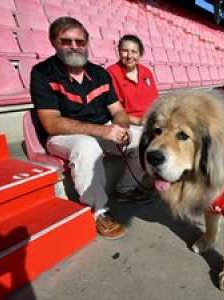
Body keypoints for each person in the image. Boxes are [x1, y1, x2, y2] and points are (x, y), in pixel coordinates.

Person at [30, 17, 141, 240]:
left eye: (79, 41)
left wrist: (121, 127)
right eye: (66, 41)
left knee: (145, 139)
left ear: (87, 42)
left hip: (103, 129)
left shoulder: (99, 73)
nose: (74, 46)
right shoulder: (42, 73)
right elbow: (51, 123)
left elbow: (118, 111)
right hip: (63, 136)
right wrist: (104, 131)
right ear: (53, 42)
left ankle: (125, 188)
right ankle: (99, 211)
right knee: (87, 145)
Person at [106, 34, 158, 201]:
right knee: (142, 143)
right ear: (119, 51)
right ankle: (124, 189)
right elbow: (113, 110)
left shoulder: (146, 72)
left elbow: (155, 101)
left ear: (140, 53)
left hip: (149, 121)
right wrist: (138, 121)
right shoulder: (111, 72)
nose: (129, 55)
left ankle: (153, 179)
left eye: (134, 51)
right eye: (125, 51)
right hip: (126, 122)